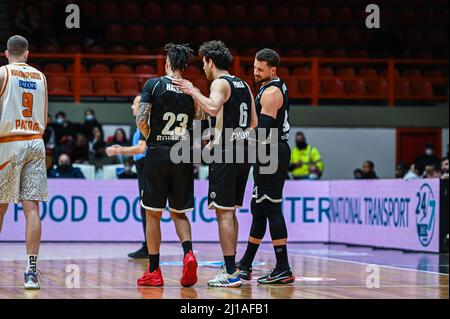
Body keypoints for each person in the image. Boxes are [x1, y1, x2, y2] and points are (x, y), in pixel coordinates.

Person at [175, 40, 258, 287]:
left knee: (223, 213)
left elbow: (212, 108)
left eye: (203, 63)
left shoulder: (219, 83)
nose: (203, 68)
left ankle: (231, 273)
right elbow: (253, 122)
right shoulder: (244, 84)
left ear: (211, 61)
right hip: (245, 149)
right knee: (230, 211)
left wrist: (192, 90)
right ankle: (231, 267)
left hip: (227, 153)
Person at [135, 43, 203, 288]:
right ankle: (189, 254)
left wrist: (151, 137)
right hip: (183, 153)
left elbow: (141, 119)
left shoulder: (153, 84)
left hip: (158, 152)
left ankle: (154, 270)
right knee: (179, 212)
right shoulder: (191, 90)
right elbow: (199, 124)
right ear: (183, 66)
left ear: (167, 63)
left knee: (153, 214)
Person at [236, 48, 295, 285]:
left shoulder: (271, 92)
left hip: (272, 151)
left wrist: (235, 138)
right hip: (267, 151)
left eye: (260, 69)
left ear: (273, 70)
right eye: (254, 68)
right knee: (258, 208)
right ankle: (246, 264)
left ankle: (283, 267)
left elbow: (263, 132)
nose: (256, 72)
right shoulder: (267, 88)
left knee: (271, 208)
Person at [0, 35, 48, 289]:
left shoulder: (3, 73)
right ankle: (31, 272)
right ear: (27, 54)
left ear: (6, 54)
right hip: (35, 140)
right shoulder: (40, 76)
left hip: (8, 142)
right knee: (32, 208)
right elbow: (44, 117)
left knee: (0, 206)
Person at [106, 94, 148, 258]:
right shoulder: (139, 124)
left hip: (146, 166)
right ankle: (148, 245)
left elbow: (141, 149)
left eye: (134, 103)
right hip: (141, 166)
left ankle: (149, 248)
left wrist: (119, 150)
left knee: (147, 209)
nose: (132, 106)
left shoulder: (144, 122)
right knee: (144, 209)